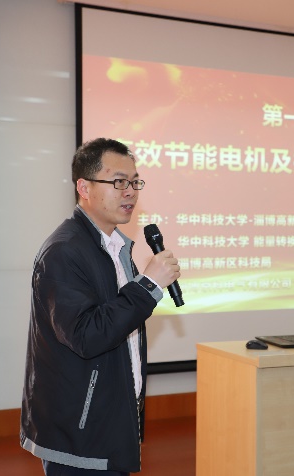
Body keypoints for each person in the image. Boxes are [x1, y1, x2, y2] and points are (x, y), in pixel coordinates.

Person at [20, 138, 181, 475]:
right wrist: (148, 286)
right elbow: (87, 335)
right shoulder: (64, 251)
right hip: (79, 433)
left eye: (135, 182)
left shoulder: (115, 247)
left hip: (111, 420)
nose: (130, 192)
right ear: (84, 188)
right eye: (118, 182)